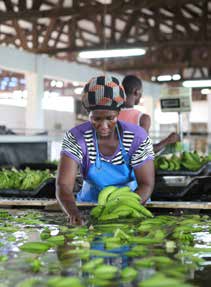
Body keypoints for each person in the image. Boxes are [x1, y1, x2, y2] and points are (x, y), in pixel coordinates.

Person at [56, 75, 155, 225]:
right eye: (96, 119)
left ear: (119, 112)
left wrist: (121, 210)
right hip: (88, 207)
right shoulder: (76, 138)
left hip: (132, 205)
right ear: (88, 114)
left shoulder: (137, 137)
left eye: (110, 118)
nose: (103, 125)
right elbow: (63, 185)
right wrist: (73, 213)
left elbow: (146, 184)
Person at [119, 75, 180, 153]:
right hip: (132, 165)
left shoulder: (111, 115)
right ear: (136, 92)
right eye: (141, 93)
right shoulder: (142, 118)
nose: (141, 96)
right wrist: (168, 140)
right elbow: (145, 151)